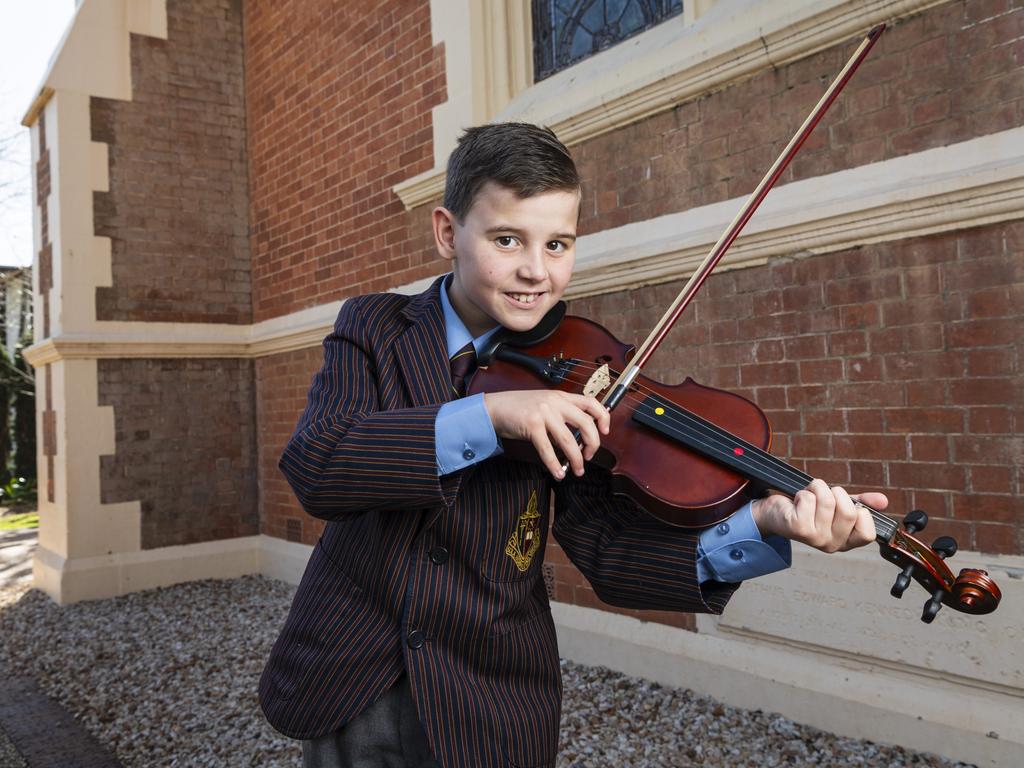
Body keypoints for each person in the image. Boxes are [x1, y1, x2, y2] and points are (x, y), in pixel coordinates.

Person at [259, 122, 887, 768]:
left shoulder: (586, 368)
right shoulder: (373, 328)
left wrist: (758, 522)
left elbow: (610, 554)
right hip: (357, 681)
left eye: (558, 244)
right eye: (508, 239)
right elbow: (319, 463)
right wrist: (491, 413)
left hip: (490, 695)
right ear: (448, 232)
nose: (536, 270)